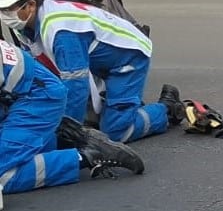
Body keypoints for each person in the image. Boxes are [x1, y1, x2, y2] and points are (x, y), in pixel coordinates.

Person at [0, 0, 184, 143]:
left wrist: (68, 133)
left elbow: (75, 84)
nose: (3, 15)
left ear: (30, 5)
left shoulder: (62, 31)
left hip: (128, 59)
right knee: (92, 119)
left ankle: (167, 109)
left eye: (6, 10)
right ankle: (122, 106)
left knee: (116, 132)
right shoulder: (26, 25)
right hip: (100, 59)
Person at [1, 40, 144, 200]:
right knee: (15, 151)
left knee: (4, 176)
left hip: (36, 97)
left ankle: (87, 156)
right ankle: (59, 139)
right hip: (27, 92)